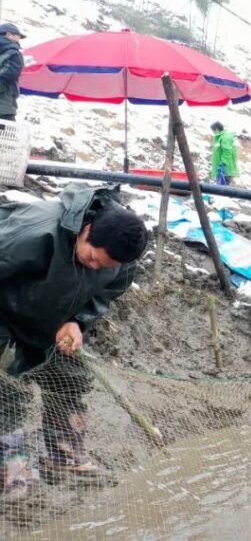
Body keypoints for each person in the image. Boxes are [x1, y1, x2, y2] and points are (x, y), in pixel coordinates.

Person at [0, 184, 148, 499]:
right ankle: (11, 463)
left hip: (49, 317)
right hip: (5, 308)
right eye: (93, 259)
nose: (95, 268)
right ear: (87, 230)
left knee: (71, 377)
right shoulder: (35, 231)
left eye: (104, 267)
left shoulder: (120, 259)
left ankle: (61, 454)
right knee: (7, 387)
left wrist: (77, 321)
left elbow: (108, 290)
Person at [0, 22, 27, 122]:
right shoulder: (13, 53)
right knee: (6, 136)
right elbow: (8, 76)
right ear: (8, 35)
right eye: (18, 36)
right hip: (3, 108)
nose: (19, 40)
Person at [209, 121, 239, 186]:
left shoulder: (225, 137)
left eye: (213, 131)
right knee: (220, 189)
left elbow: (227, 152)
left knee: (222, 190)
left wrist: (223, 164)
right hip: (221, 169)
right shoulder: (220, 137)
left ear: (216, 129)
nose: (213, 133)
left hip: (225, 170)